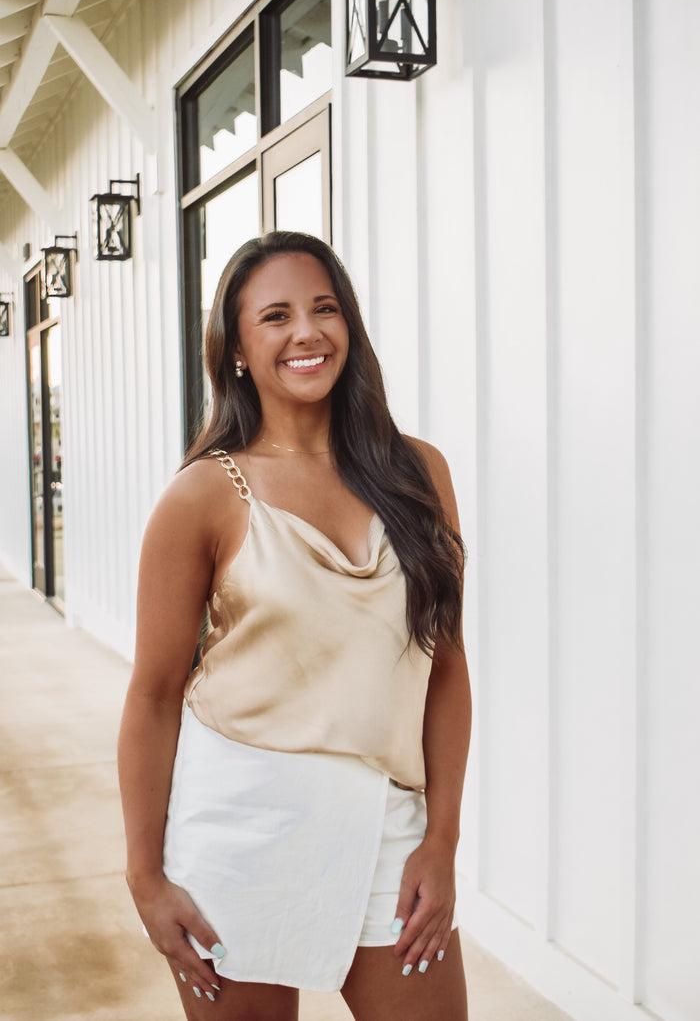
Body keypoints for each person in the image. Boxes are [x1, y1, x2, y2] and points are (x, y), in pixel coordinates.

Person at [118, 231, 471, 1021]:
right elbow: (153, 696)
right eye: (274, 316)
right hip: (241, 832)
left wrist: (440, 840)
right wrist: (146, 877)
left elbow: (444, 666)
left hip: (386, 822)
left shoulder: (418, 473)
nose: (306, 332)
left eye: (324, 309)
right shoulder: (204, 496)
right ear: (238, 348)